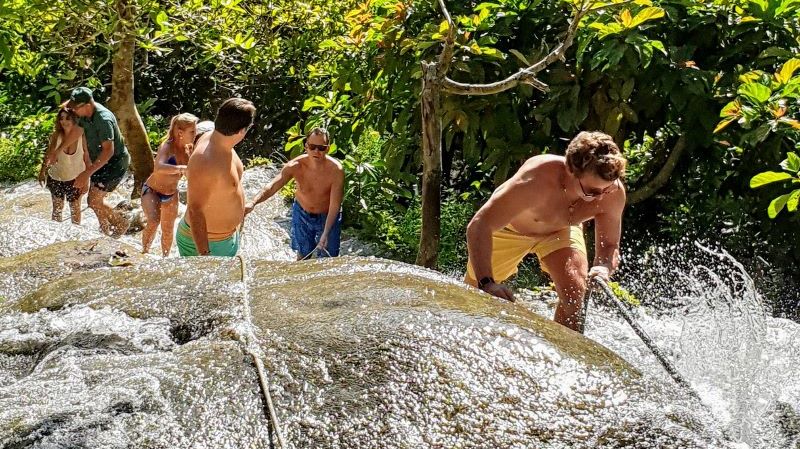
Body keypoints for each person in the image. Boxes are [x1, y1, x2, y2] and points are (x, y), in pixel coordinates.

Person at [464, 131, 627, 331]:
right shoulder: (535, 179)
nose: (600, 197)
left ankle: (563, 354)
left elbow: (610, 245)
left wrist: (603, 267)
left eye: (607, 189)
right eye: (592, 191)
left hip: (561, 230)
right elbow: (479, 225)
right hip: (510, 231)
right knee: (472, 297)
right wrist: (486, 282)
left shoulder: (613, 192)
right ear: (570, 170)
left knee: (575, 295)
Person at [244, 128, 344, 260]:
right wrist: (253, 202)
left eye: (321, 148)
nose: (316, 151)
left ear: (328, 149)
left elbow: (335, 205)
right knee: (303, 254)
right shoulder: (295, 166)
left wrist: (325, 233)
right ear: (306, 146)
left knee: (328, 259)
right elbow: (273, 185)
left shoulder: (336, 170)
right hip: (302, 213)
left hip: (327, 215)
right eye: (312, 147)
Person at [176, 98, 255, 257]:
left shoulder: (219, 140)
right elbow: (195, 209)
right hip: (206, 245)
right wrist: (205, 257)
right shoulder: (206, 161)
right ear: (242, 131)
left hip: (227, 238)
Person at [58, 87, 131, 237]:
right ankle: (105, 231)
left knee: (94, 201)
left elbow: (108, 151)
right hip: (100, 161)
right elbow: (77, 131)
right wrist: (58, 150)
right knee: (93, 200)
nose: (73, 111)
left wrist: (86, 173)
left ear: (87, 105)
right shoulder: (84, 114)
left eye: (75, 107)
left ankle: (121, 222)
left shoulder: (103, 120)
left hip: (114, 163)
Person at [141, 113, 198, 256]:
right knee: (154, 222)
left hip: (171, 194)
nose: (195, 134)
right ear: (180, 133)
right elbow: (159, 168)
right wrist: (181, 168)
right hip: (152, 190)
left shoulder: (188, 150)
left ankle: (165, 259)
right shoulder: (167, 146)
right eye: (192, 131)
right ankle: (144, 253)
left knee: (167, 230)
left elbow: (195, 173)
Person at [38, 105, 92, 224]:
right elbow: (49, 154)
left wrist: (86, 179)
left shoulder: (82, 136)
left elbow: (87, 158)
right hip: (56, 177)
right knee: (57, 209)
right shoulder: (56, 135)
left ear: (74, 119)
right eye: (61, 118)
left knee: (75, 209)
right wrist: (42, 172)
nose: (64, 121)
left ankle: (75, 239)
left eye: (67, 118)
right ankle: (57, 238)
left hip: (76, 178)